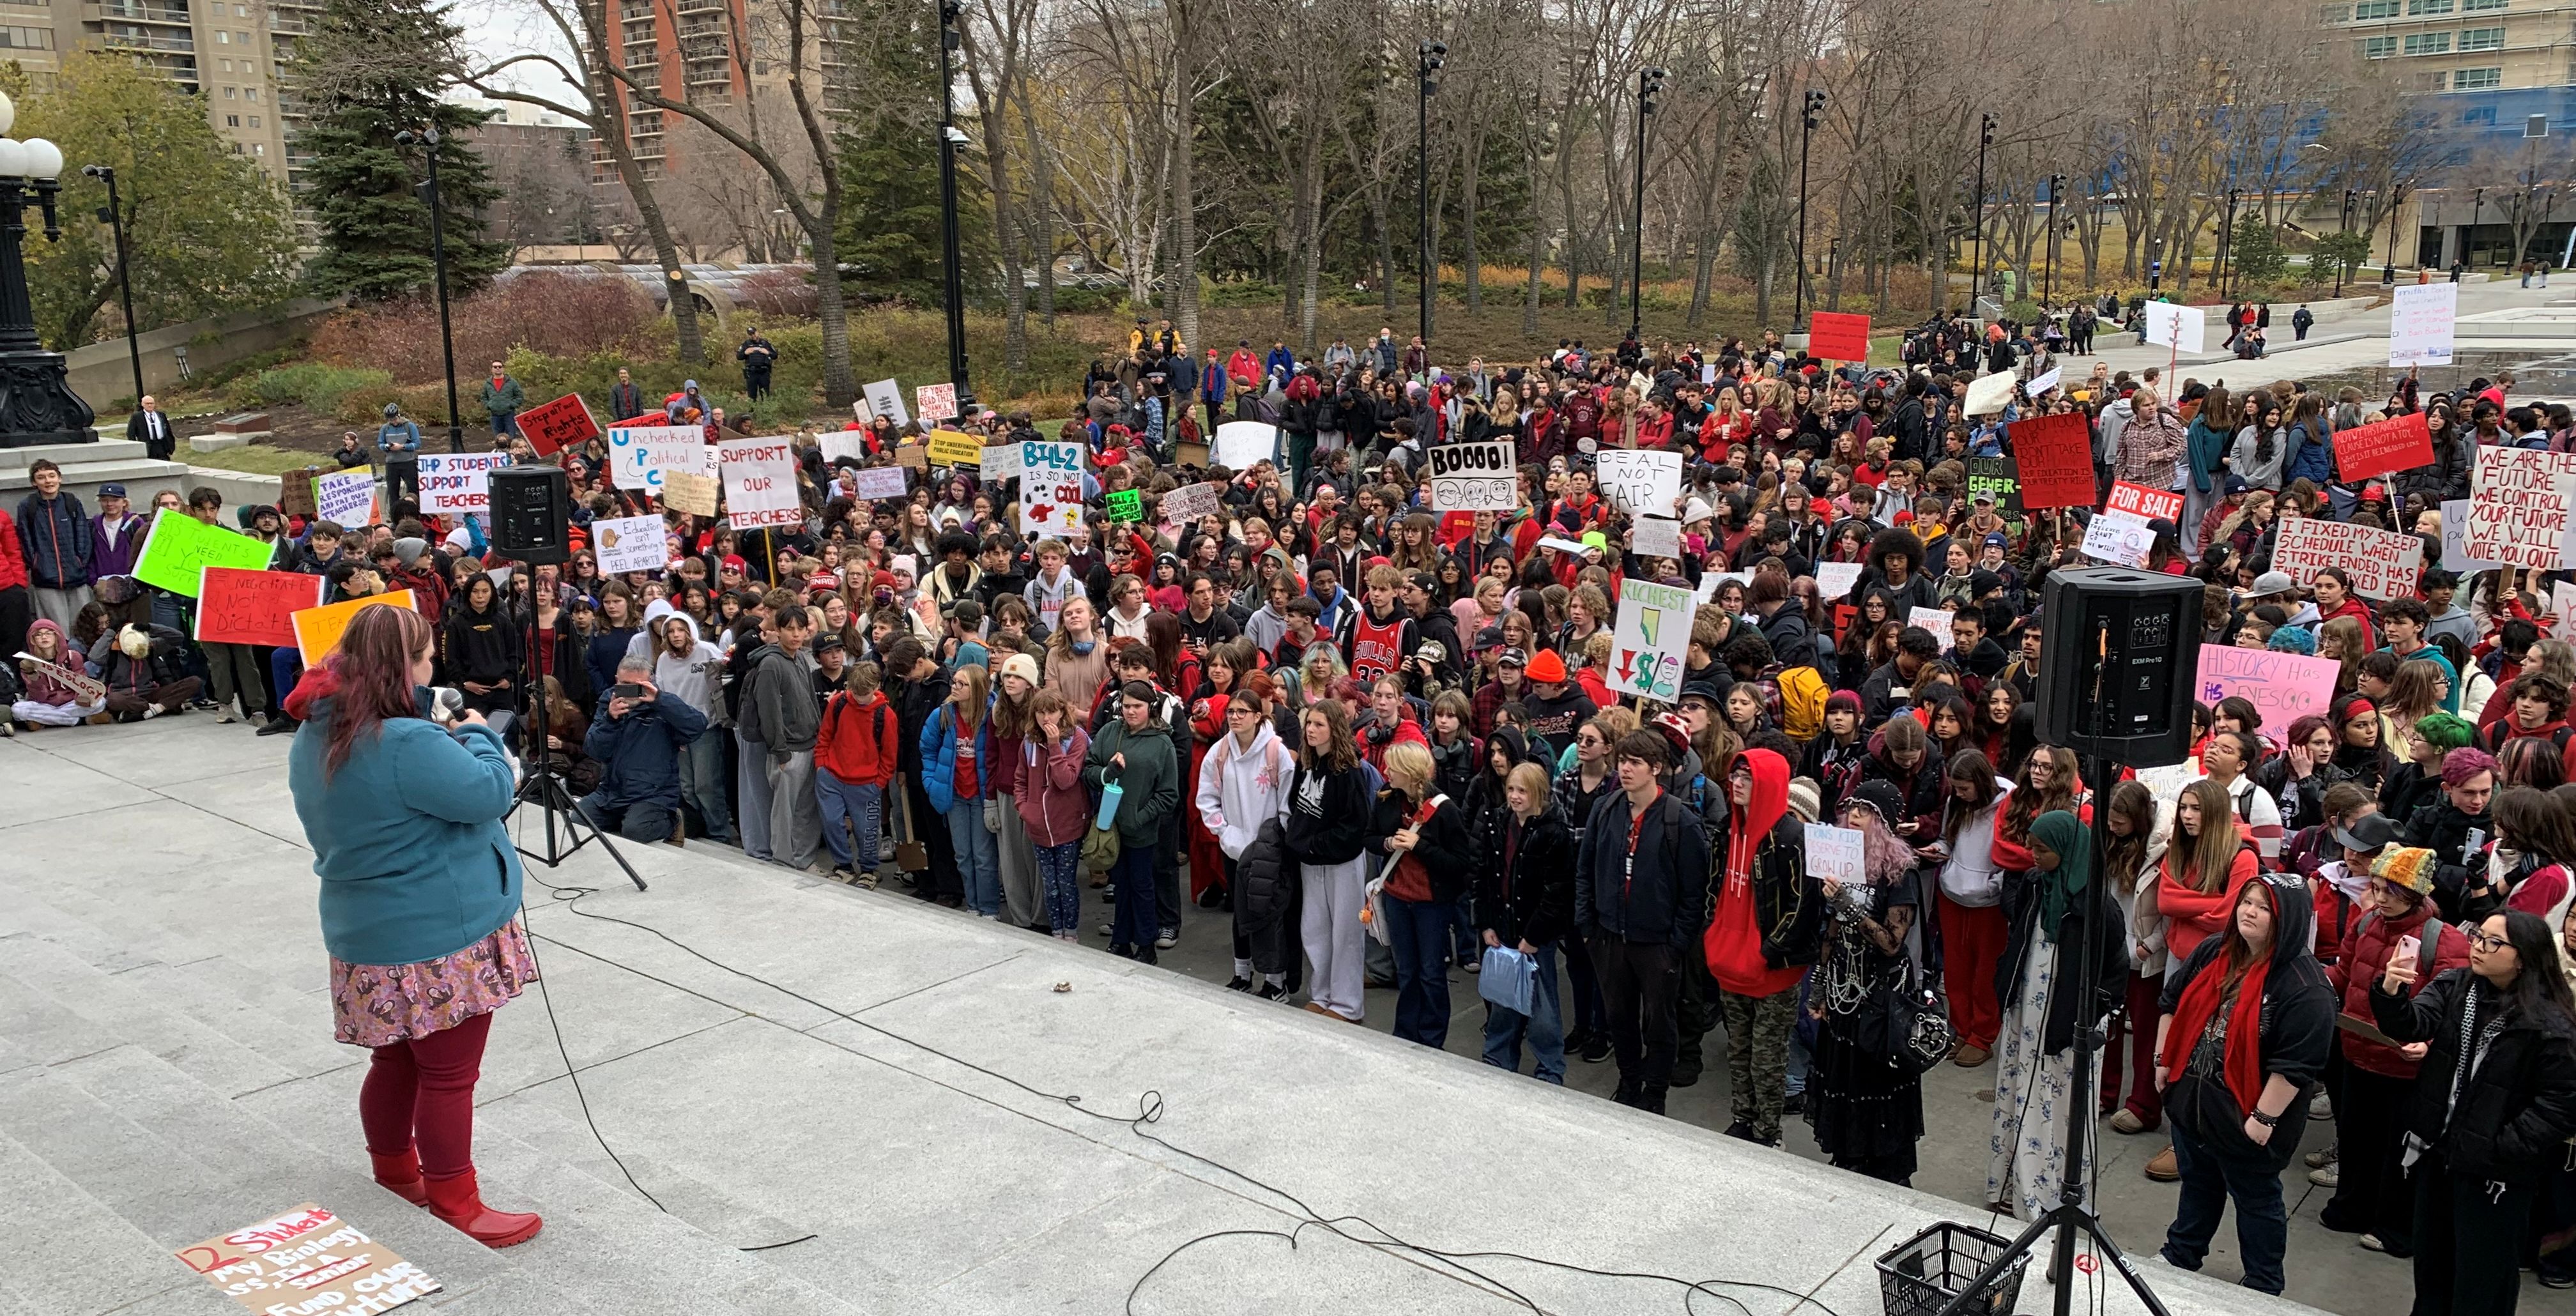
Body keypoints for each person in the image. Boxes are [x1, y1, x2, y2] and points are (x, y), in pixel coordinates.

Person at [281, 604, 541, 1248]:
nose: (433, 672)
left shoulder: (316, 730)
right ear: (402, 667)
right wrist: (478, 732)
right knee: (449, 1075)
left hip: (367, 933)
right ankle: (457, 1200)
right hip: (436, 938)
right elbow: (488, 791)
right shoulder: (405, 740)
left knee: (394, 1059)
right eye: (426, 660)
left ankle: (395, 1169)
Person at [2373, 907, 2576, 1316]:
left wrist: (2503, 1146)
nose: (2479, 948)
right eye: (2478, 937)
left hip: (2496, 1174)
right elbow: (2412, 1024)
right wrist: (2392, 992)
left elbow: (2562, 1103)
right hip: (2439, 1154)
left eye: (2493, 943)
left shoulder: (2550, 1021)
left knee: (2483, 1281)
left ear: (2523, 957)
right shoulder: (2456, 987)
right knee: (2432, 1267)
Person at [2154, 875, 2336, 1296]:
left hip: (2245, 1120)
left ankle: (2262, 1283)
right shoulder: (2213, 951)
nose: (2249, 912)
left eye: (2263, 907)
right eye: (2246, 902)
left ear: (2286, 919)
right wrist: (2163, 1061)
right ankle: (2180, 1255)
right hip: (2192, 1106)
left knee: (2256, 1203)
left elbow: (2297, 1066)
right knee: (2197, 1187)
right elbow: (2171, 1003)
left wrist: (2261, 1119)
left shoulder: (2305, 988)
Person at [2320, 846, 2472, 1257]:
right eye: (2377, 887)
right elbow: (2343, 973)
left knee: (2400, 1151)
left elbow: (2455, 1010)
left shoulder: (2445, 941)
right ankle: (2352, 1207)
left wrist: (2429, 1043)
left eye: (2394, 891)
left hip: (2407, 1069)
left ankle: (2395, 1227)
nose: (2382, 897)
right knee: (2356, 1138)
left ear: (2418, 894)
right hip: (2357, 1052)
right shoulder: (2366, 922)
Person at [1988, 810, 2127, 1220]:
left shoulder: (2098, 907)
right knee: (2020, 1094)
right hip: (2027, 1014)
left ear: (2066, 852)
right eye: (2032, 845)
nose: (2033, 855)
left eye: (2042, 849)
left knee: (2059, 1106)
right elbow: (2017, 939)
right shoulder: (2035, 885)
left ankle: (2051, 1196)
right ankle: (2013, 1186)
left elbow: (2115, 971)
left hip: (2067, 1027)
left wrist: (2087, 1016)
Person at [1581, 730, 1715, 1115]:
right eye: (1622, 761)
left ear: (1656, 768)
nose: (1625, 769)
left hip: (1657, 943)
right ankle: (1628, 1082)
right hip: (1609, 936)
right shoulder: (1606, 809)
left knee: (1659, 1022)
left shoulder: (1680, 821)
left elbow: (1695, 894)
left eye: (1635, 762)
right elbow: (1585, 870)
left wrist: (1676, 945)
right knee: (1618, 1017)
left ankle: (1655, 1093)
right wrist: (1589, 926)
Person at [1804, 780, 1926, 1185]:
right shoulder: (1844, 862)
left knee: (1875, 1081)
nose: (1853, 818)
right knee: (1843, 1078)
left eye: (1864, 811)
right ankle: (1849, 1156)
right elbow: (1832, 930)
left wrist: (1848, 905)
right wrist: (1820, 985)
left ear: (1884, 823)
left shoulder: (1900, 873)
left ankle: (1882, 1169)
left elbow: (1892, 943)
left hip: (1881, 999)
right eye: (1851, 809)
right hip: (1843, 993)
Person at [1367, 739, 1474, 1048]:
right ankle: (1405, 1033)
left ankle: (1431, 1039)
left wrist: (1420, 846)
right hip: (1398, 898)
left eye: (1393, 767)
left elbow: (1460, 863)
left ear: (1411, 773)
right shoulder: (1387, 799)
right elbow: (1370, 837)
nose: (1386, 771)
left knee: (1431, 973)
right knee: (1407, 970)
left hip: (1432, 904)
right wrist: (1388, 844)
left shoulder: (1444, 810)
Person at [1476, 760, 1575, 1082]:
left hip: (1535, 933)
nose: (1515, 797)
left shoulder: (1553, 833)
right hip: (1503, 925)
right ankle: (1498, 1058)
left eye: (1523, 791)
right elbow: (1487, 878)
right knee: (1503, 1000)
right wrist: (1487, 923)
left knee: (1543, 1006)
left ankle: (1550, 1068)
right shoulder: (1497, 823)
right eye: (1511, 789)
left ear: (1539, 794)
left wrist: (1533, 936)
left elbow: (1557, 892)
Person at [1287, 698, 1376, 1021]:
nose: (1311, 730)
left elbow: (1355, 826)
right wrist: (1298, 844)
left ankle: (1347, 1004)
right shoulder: (1306, 763)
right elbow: (1296, 807)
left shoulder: (1349, 770)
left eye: (1319, 725)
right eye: (1309, 723)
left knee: (1346, 935)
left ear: (1334, 729)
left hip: (1342, 863)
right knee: (1315, 930)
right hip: (1311, 862)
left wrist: (1314, 844)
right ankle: (1322, 994)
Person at [1086, 679, 1181, 962]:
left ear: (1150, 708)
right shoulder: (1109, 732)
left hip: (1141, 832)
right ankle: (1121, 942)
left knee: (1142, 887)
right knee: (1121, 886)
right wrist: (1108, 772)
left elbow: (1169, 794)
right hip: (1111, 828)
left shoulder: (1163, 744)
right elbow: (1089, 771)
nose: (1130, 712)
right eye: (1126, 706)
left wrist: (1141, 817)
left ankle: (1146, 945)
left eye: (1137, 707)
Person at [578, 656, 709, 843]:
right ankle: (623, 819)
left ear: (650, 682)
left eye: (638, 685)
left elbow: (697, 726)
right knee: (576, 821)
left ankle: (673, 821)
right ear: (616, 680)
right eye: (625, 684)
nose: (631, 691)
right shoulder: (608, 702)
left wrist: (659, 701)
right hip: (611, 792)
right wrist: (610, 720)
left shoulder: (664, 705)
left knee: (636, 831)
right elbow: (593, 749)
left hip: (653, 794)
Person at [747, 602, 824, 870]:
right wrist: (780, 750)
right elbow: (769, 712)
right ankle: (783, 860)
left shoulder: (801, 657)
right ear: (777, 630)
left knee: (806, 808)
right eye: (789, 629)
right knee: (784, 812)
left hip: (809, 742)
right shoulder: (770, 664)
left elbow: (811, 701)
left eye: (800, 629)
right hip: (788, 749)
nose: (795, 634)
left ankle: (804, 858)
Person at [923, 663, 1000, 916]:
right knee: (963, 856)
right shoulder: (943, 714)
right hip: (953, 795)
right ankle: (973, 906)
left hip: (980, 796)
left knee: (984, 857)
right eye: (954, 682)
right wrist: (932, 783)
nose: (954, 687)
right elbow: (927, 750)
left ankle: (989, 908)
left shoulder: (992, 715)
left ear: (976, 688)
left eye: (961, 684)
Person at [816, 658, 899, 884]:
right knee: (832, 823)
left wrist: (879, 783)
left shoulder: (886, 715)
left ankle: (869, 869)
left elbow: (889, 755)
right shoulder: (839, 704)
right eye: (856, 692)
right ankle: (843, 864)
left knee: (867, 830)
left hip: (866, 782)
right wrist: (821, 765)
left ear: (877, 687)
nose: (861, 698)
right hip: (832, 775)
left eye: (866, 693)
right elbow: (825, 735)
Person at [15, 459, 93, 635]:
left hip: (76, 575)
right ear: (34, 482)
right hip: (46, 578)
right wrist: (36, 563)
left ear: (60, 479)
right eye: (41, 477)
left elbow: (83, 535)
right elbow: (25, 540)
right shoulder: (28, 507)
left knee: (82, 627)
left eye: (52, 476)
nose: (48, 481)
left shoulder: (71, 502)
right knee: (54, 630)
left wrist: (79, 561)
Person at [378, 403, 423, 509]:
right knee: (393, 492)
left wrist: (402, 447)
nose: (393, 422)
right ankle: (395, 518)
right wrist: (387, 446)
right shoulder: (385, 428)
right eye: (390, 420)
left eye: (394, 419)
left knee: (413, 490)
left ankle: (414, 513)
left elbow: (417, 444)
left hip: (408, 462)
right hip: (391, 464)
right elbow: (380, 443)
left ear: (398, 415)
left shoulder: (409, 426)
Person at [479, 360, 526, 438]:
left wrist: (511, 405)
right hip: (495, 415)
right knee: (499, 439)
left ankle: (511, 450)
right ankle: (501, 450)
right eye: (495, 367)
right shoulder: (488, 384)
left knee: (511, 437)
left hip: (509, 414)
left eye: (500, 367)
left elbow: (520, 396)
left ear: (503, 369)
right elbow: (483, 397)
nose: (498, 368)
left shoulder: (512, 382)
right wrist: (489, 405)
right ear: (492, 369)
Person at [739, 327, 776, 401]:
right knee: (752, 396)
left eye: (754, 333)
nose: (753, 336)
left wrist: (768, 353)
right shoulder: (746, 344)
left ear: (757, 332)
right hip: (751, 373)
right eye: (751, 334)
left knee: (765, 395)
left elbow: (775, 355)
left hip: (764, 372)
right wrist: (745, 353)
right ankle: (752, 412)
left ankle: (765, 411)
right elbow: (738, 356)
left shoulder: (765, 343)